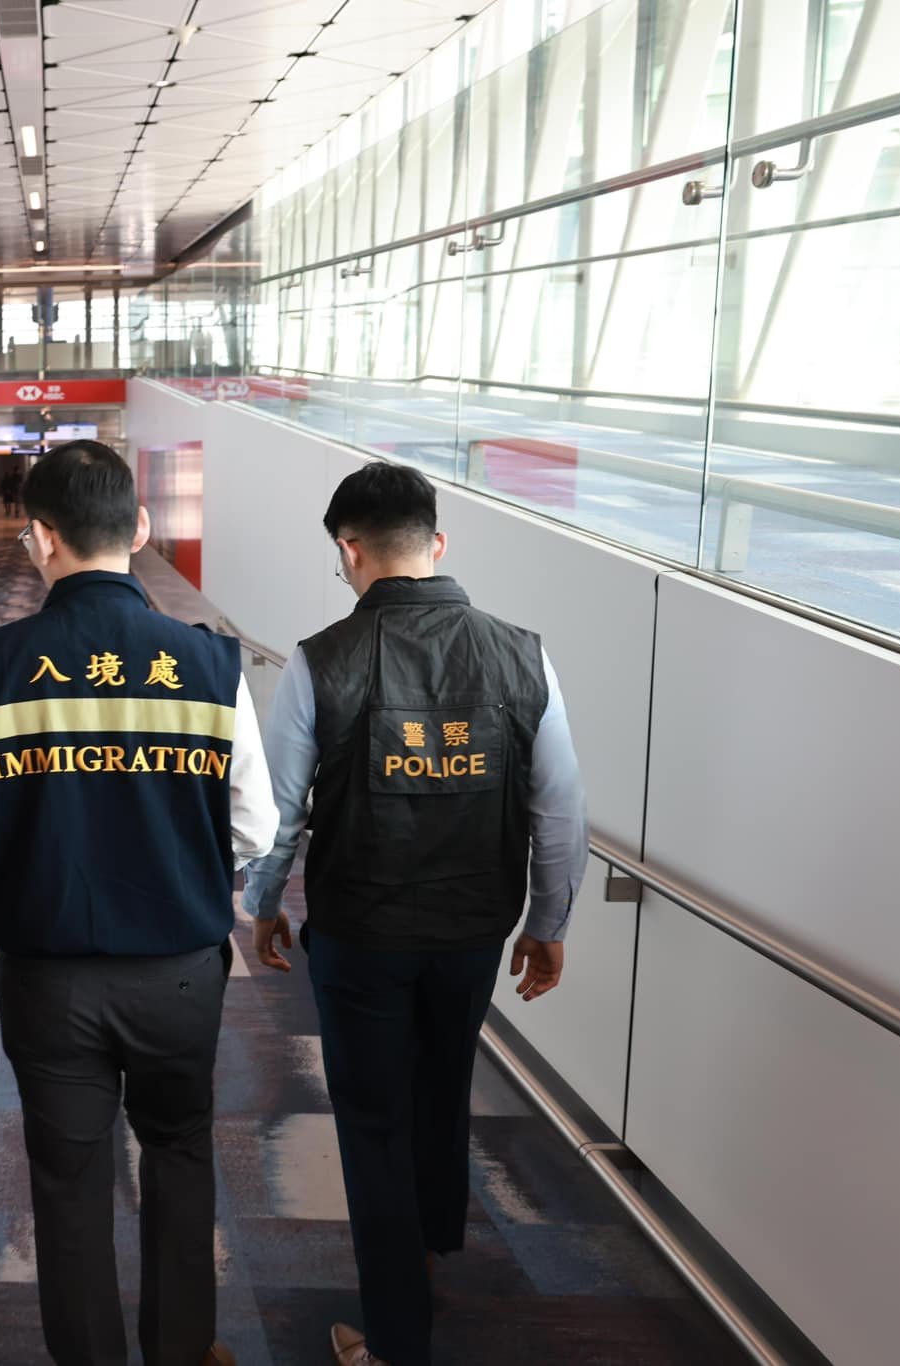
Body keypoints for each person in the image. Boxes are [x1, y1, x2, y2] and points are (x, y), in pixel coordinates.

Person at [243, 462, 589, 1366]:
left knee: (372, 1120)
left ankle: (394, 1336)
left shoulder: (323, 659)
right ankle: (435, 1241)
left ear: (348, 551)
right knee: (442, 1085)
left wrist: (263, 904)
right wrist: (547, 924)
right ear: (437, 544)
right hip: (474, 929)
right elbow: (561, 809)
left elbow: (280, 814)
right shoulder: (525, 653)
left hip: (362, 932)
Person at [0, 440, 278, 1366]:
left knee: (69, 1179)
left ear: (36, 537)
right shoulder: (209, 665)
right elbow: (254, 823)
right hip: (177, 972)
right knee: (180, 1153)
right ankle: (178, 1351)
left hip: (48, 976)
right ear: (139, 528)